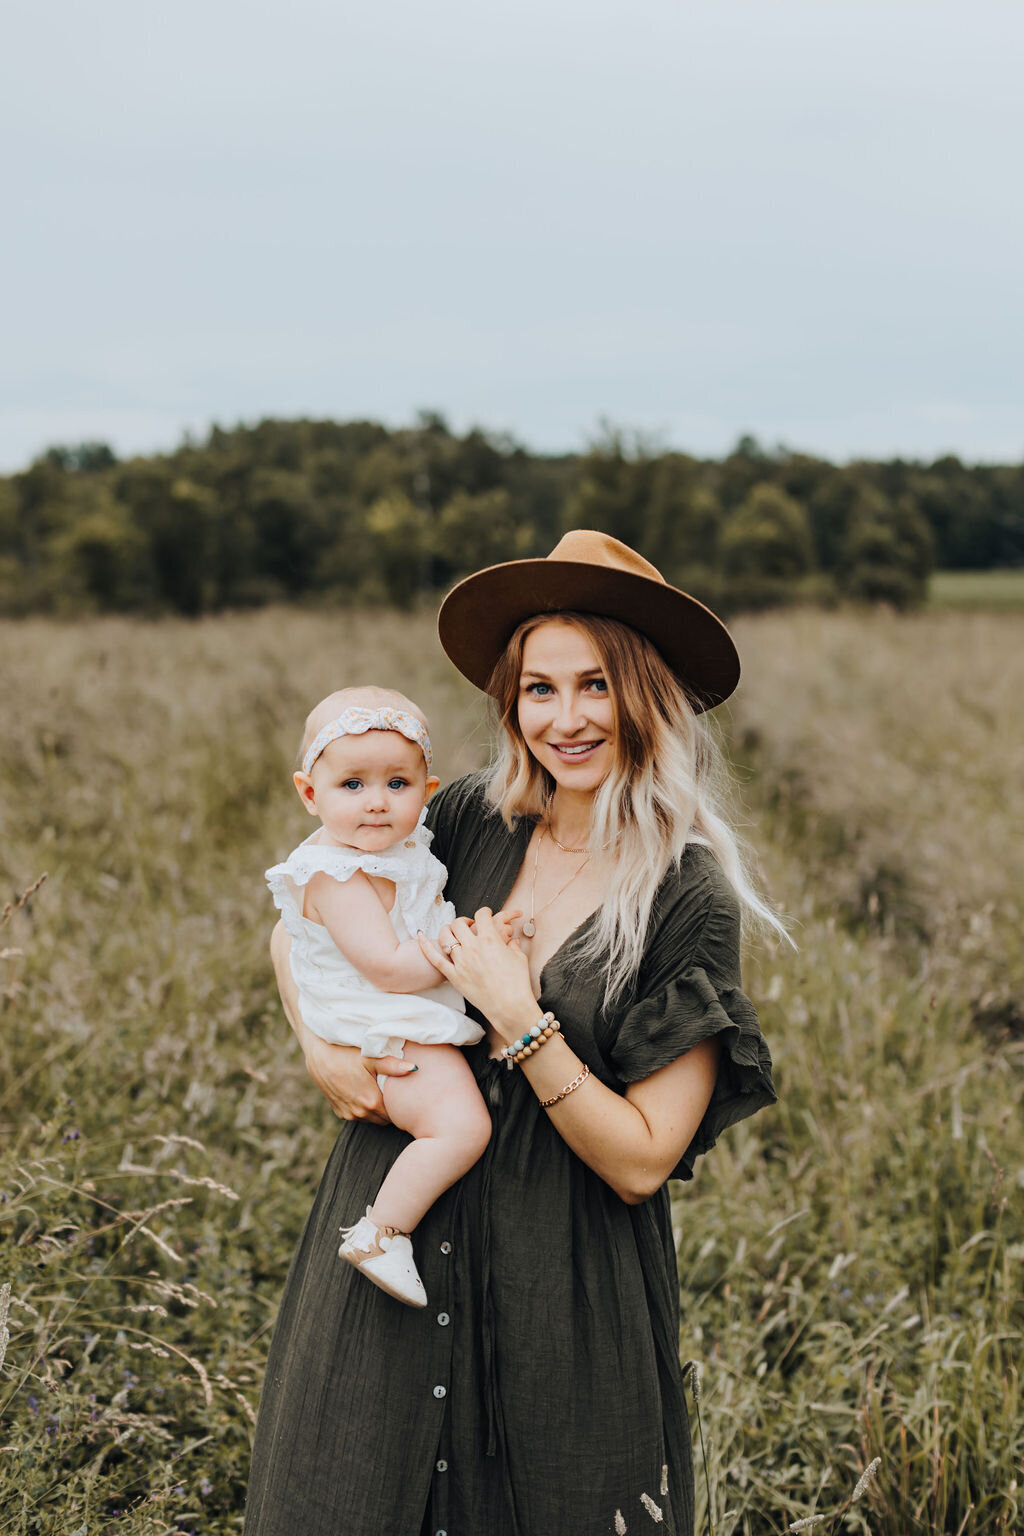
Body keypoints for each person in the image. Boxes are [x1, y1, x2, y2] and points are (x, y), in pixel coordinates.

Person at [245, 531, 782, 1536]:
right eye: (540, 688)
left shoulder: (686, 899)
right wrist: (319, 1043)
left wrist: (520, 1018)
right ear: (511, 700)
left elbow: (641, 1161)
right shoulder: (461, 821)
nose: (566, 719)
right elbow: (304, 915)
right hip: (389, 1244)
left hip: (562, 1284)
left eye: (595, 686)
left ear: (649, 695)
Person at [266, 685, 502, 1306]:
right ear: (309, 793)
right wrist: (469, 945)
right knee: (460, 1128)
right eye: (352, 786)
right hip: (380, 1016)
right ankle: (383, 1231)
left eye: (398, 785)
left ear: (428, 793)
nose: (376, 804)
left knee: (458, 1120)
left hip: (396, 1005)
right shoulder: (336, 873)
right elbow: (390, 967)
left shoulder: (400, 850)